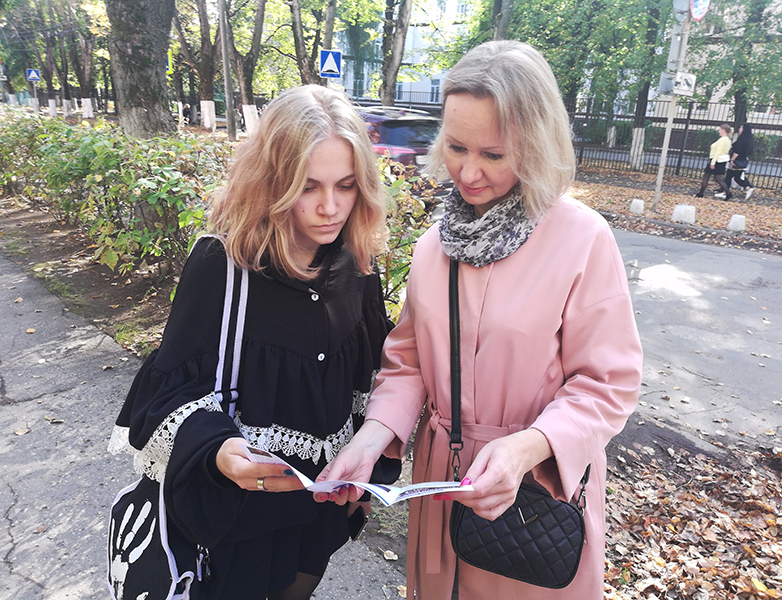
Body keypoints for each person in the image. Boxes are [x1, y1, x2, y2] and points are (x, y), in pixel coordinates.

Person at [315, 40, 643, 599]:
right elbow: (408, 363)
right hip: (440, 487)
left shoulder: (582, 239)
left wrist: (528, 447)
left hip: (534, 496)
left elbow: (608, 384)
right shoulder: (434, 246)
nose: (468, 173)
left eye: (493, 154)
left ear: (535, 144)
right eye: (456, 147)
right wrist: (371, 439)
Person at [108, 85, 394, 600]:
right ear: (271, 183)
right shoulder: (222, 265)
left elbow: (370, 380)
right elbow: (167, 394)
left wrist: (373, 473)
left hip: (319, 511)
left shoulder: (357, 267)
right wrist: (219, 451)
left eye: (347, 185)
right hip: (232, 520)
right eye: (307, 187)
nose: (330, 207)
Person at [717, 123, 755, 201]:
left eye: (741, 128)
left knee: (728, 177)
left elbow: (737, 151)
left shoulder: (741, 139)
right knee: (737, 178)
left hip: (737, 161)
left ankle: (725, 193)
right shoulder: (748, 140)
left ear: (744, 130)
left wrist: (732, 160)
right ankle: (747, 187)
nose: (739, 129)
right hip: (743, 161)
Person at [694, 123, 732, 199]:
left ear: (724, 130)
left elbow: (718, 151)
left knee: (706, 176)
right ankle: (728, 193)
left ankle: (701, 193)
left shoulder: (722, 140)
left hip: (716, 160)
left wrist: (713, 163)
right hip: (721, 161)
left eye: (720, 130)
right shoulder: (728, 140)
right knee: (717, 178)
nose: (719, 131)